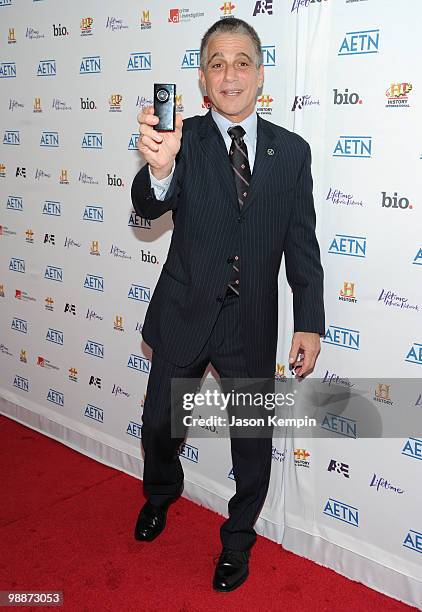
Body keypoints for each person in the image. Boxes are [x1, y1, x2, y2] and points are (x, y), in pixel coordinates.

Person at [130, 17, 325, 592]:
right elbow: (148, 203)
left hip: (251, 322)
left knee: (252, 444)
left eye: (242, 63)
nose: (230, 74)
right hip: (184, 312)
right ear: (202, 78)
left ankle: (238, 539)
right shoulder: (180, 140)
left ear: (261, 75)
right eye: (217, 63)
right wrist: (159, 170)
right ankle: (161, 493)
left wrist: (310, 320)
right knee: (160, 427)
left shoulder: (293, 153)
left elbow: (302, 242)